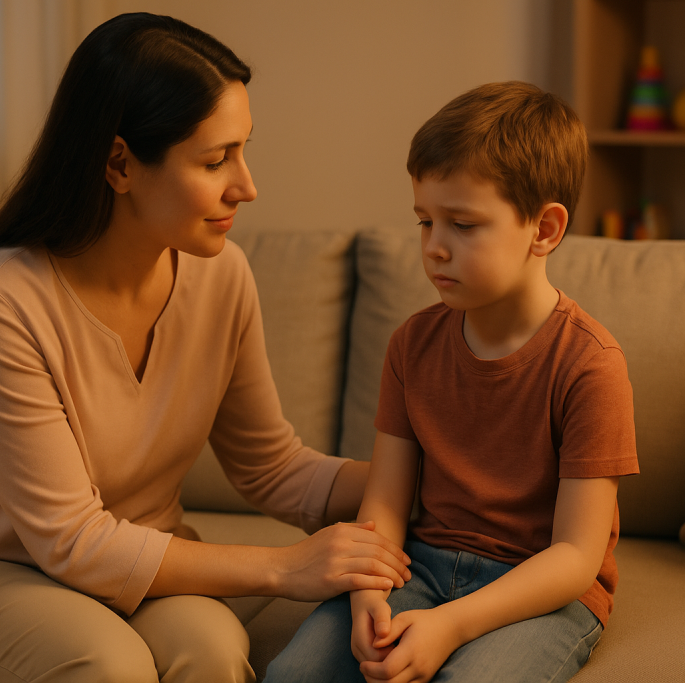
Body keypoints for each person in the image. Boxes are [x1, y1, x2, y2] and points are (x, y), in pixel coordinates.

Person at [0, 13, 411, 683]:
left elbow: (272, 467)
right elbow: (72, 540)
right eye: (215, 160)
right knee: (110, 666)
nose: (247, 186)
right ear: (120, 163)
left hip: (140, 560)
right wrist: (284, 567)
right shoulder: (1, 299)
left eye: (243, 151)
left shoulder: (221, 274)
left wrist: (423, 473)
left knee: (211, 652)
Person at [266, 82, 640, 683]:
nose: (435, 248)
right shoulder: (411, 346)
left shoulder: (590, 364)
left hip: (540, 589)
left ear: (544, 229)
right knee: (293, 675)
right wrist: (368, 594)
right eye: (425, 221)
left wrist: (452, 625)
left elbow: (575, 557)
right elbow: (385, 503)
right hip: (420, 566)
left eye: (463, 225)